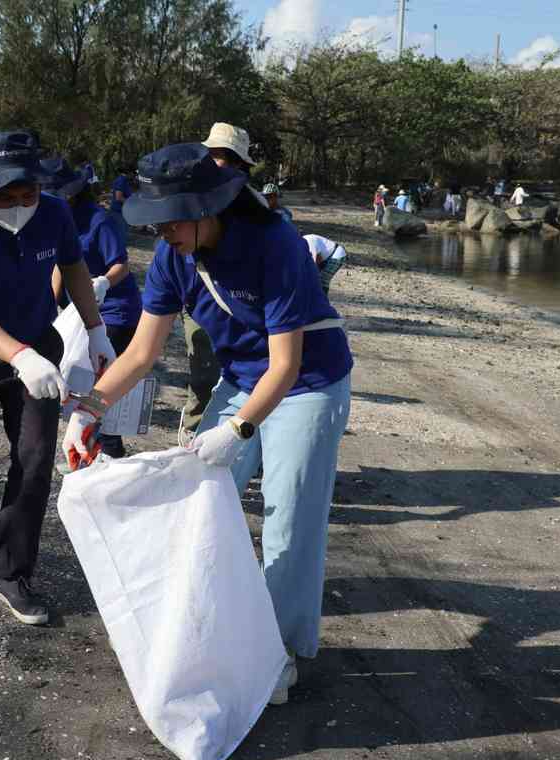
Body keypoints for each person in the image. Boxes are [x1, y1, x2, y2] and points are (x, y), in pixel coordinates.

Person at [61, 143, 352, 703]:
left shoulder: (275, 245)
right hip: (244, 377)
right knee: (196, 492)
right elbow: (143, 350)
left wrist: (238, 429)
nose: (160, 233)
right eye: (154, 223)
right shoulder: (175, 255)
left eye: (169, 222)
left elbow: (287, 365)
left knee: (289, 514)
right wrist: (89, 409)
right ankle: (209, 627)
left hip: (309, 381)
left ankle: (279, 653)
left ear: (204, 210)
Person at [0, 130, 112, 625]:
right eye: (3, 197)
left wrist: (96, 330)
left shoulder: (54, 214)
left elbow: (74, 268)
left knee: (33, 460)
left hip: (38, 343)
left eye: (26, 194)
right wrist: (19, 357)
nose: (17, 205)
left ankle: (12, 573)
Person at [43, 156, 142, 458]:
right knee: (81, 381)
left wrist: (103, 284)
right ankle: (90, 447)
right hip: (83, 314)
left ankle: (109, 450)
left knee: (103, 382)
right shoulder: (55, 218)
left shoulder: (99, 220)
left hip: (114, 311)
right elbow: (62, 265)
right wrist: (50, 309)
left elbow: (121, 265)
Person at [174, 122, 258, 441]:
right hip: (200, 307)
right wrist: (91, 408)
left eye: (224, 157)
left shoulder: (260, 220)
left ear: (240, 166)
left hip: (244, 315)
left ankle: (241, 437)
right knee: (203, 375)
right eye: (211, 155)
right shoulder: (183, 209)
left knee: (244, 378)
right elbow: (141, 352)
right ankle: (193, 435)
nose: (216, 162)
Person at [109, 164, 135, 239]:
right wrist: (130, 203)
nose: (133, 176)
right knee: (121, 235)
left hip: (121, 212)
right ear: (129, 172)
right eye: (133, 173)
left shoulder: (124, 180)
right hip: (118, 212)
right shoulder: (122, 180)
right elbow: (118, 197)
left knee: (121, 234)